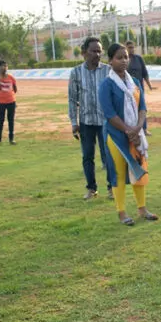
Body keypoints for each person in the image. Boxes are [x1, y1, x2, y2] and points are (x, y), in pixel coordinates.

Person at [99, 43, 158, 226]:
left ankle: (142, 209)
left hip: (135, 135)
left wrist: (137, 129)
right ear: (110, 61)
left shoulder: (135, 82)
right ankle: (122, 212)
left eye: (126, 57)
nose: (124, 60)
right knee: (118, 173)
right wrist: (128, 130)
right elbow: (110, 115)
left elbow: (142, 108)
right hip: (116, 136)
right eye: (119, 57)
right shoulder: (106, 85)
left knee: (138, 171)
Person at [69, 37, 112, 200]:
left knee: (108, 155)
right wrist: (74, 122)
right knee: (88, 156)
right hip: (86, 122)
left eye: (99, 51)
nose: (97, 54)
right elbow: (72, 99)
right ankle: (91, 188)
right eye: (93, 51)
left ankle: (111, 188)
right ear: (84, 53)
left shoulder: (108, 71)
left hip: (105, 122)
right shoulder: (76, 73)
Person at [125, 40, 155, 137]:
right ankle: (130, 129)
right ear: (126, 48)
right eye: (129, 47)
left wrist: (149, 86)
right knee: (129, 109)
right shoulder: (124, 60)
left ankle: (144, 129)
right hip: (127, 90)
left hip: (139, 89)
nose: (131, 49)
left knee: (142, 108)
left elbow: (144, 73)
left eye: (132, 47)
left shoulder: (139, 59)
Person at [0, 60, 17, 145]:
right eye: (2, 66)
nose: (5, 68)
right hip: (0, 102)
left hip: (11, 101)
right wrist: (0, 73)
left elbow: (15, 88)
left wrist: (11, 95)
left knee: (11, 120)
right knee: (0, 120)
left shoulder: (11, 77)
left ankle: (11, 139)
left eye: (6, 66)